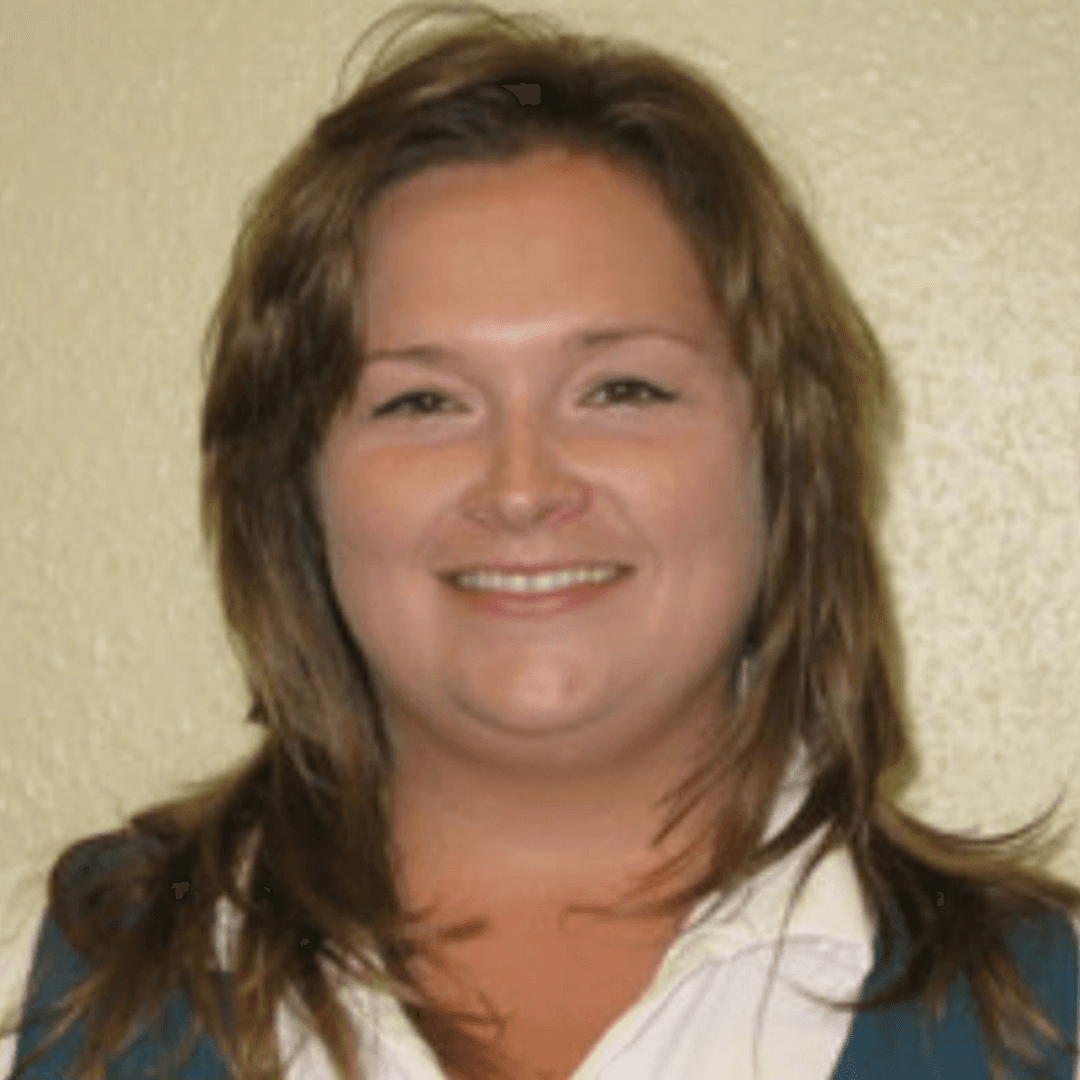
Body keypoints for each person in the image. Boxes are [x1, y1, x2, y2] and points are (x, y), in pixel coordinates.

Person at [3, 2, 1078, 1078]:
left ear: (784, 454)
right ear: (294, 483)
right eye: (422, 402)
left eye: (620, 388)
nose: (522, 488)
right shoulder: (44, 1008)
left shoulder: (1047, 1018)